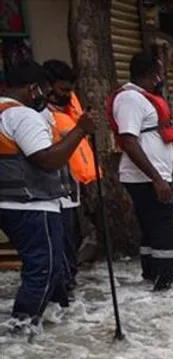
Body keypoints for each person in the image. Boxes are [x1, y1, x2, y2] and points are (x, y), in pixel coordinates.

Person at [0, 60, 95, 326]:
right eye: (42, 89)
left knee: (44, 267)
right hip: (33, 205)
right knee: (45, 268)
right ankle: (23, 328)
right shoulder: (23, 116)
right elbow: (46, 159)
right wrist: (80, 131)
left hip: (9, 204)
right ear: (33, 89)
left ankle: (52, 322)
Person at [107, 51, 173, 291]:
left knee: (154, 228)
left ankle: (153, 277)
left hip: (152, 176)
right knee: (167, 228)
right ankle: (163, 281)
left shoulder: (142, 98)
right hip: (146, 178)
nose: (161, 79)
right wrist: (157, 179)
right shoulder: (130, 100)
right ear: (151, 75)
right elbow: (128, 140)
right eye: (159, 74)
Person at [42, 59, 98, 296]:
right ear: (48, 86)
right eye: (63, 90)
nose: (67, 95)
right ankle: (62, 291)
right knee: (60, 247)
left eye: (69, 90)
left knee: (70, 242)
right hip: (52, 194)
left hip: (70, 190)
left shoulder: (70, 113)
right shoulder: (40, 116)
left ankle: (68, 289)